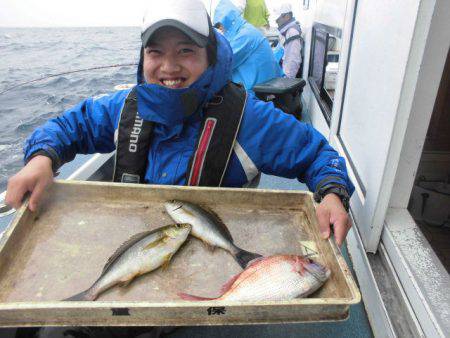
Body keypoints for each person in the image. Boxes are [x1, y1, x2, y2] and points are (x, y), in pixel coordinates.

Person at [7, 0, 353, 336]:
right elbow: (70, 127)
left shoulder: (247, 119)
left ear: (210, 56)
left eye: (186, 51)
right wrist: (42, 159)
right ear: (142, 57)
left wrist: (332, 194)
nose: (168, 67)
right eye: (155, 52)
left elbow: (317, 153)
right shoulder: (124, 107)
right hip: (135, 248)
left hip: (210, 270)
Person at [213, 0, 283, 90]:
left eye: (220, 25)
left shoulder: (244, 36)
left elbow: (223, 62)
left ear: (228, 21)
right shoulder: (245, 30)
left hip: (257, 92)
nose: (220, 30)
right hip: (265, 84)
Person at [274, 3, 303, 78]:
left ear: (287, 16)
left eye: (278, 18)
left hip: (284, 78)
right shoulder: (285, 31)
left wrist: (285, 82)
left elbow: (293, 61)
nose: (276, 21)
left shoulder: (292, 32)